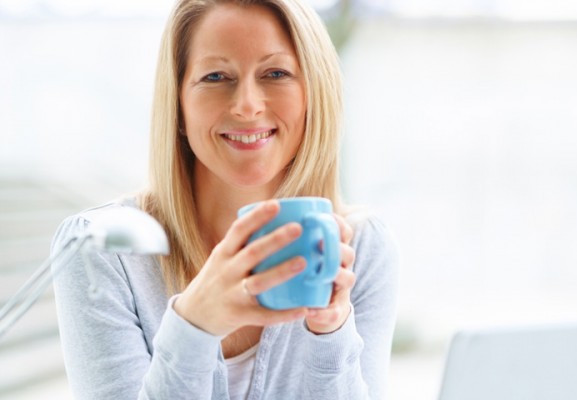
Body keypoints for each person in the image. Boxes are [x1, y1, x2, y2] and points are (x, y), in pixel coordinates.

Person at [50, 0, 398, 399]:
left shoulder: (362, 247)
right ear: (178, 106)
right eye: (215, 76)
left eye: (275, 73)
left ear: (313, 97)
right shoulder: (101, 248)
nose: (247, 105)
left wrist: (331, 333)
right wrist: (195, 323)